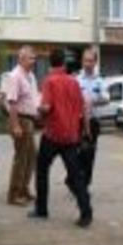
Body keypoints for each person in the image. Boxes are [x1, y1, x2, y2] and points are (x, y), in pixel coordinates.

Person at [29, 48, 92, 228]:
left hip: (52, 134)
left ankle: (42, 209)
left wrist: (38, 113)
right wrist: (86, 130)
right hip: (71, 136)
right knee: (76, 175)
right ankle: (86, 213)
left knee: (42, 170)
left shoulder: (49, 81)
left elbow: (46, 107)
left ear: (50, 63)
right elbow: (83, 108)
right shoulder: (73, 82)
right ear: (64, 63)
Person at [4, 46, 40, 206]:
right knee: (21, 158)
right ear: (21, 59)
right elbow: (12, 103)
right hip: (20, 119)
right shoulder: (15, 76)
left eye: (34, 58)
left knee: (31, 156)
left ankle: (24, 189)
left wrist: (37, 112)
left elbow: (32, 97)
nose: (34, 61)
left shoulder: (30, 75)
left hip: (29, 120)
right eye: (30, 58)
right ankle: (14, 194)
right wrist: (15, 125)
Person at [75, 47, 109, 187]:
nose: (87, 64)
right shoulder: (76, 80)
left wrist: (93, 101)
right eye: (85, 60)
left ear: (95, 62)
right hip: (78, 121)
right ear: (82, 62)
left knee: (90, 154)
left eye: (90, 61)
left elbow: (107, 99)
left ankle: (85, 184)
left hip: (93, 121)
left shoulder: (100, 81)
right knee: (77, 153)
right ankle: (74, 179)